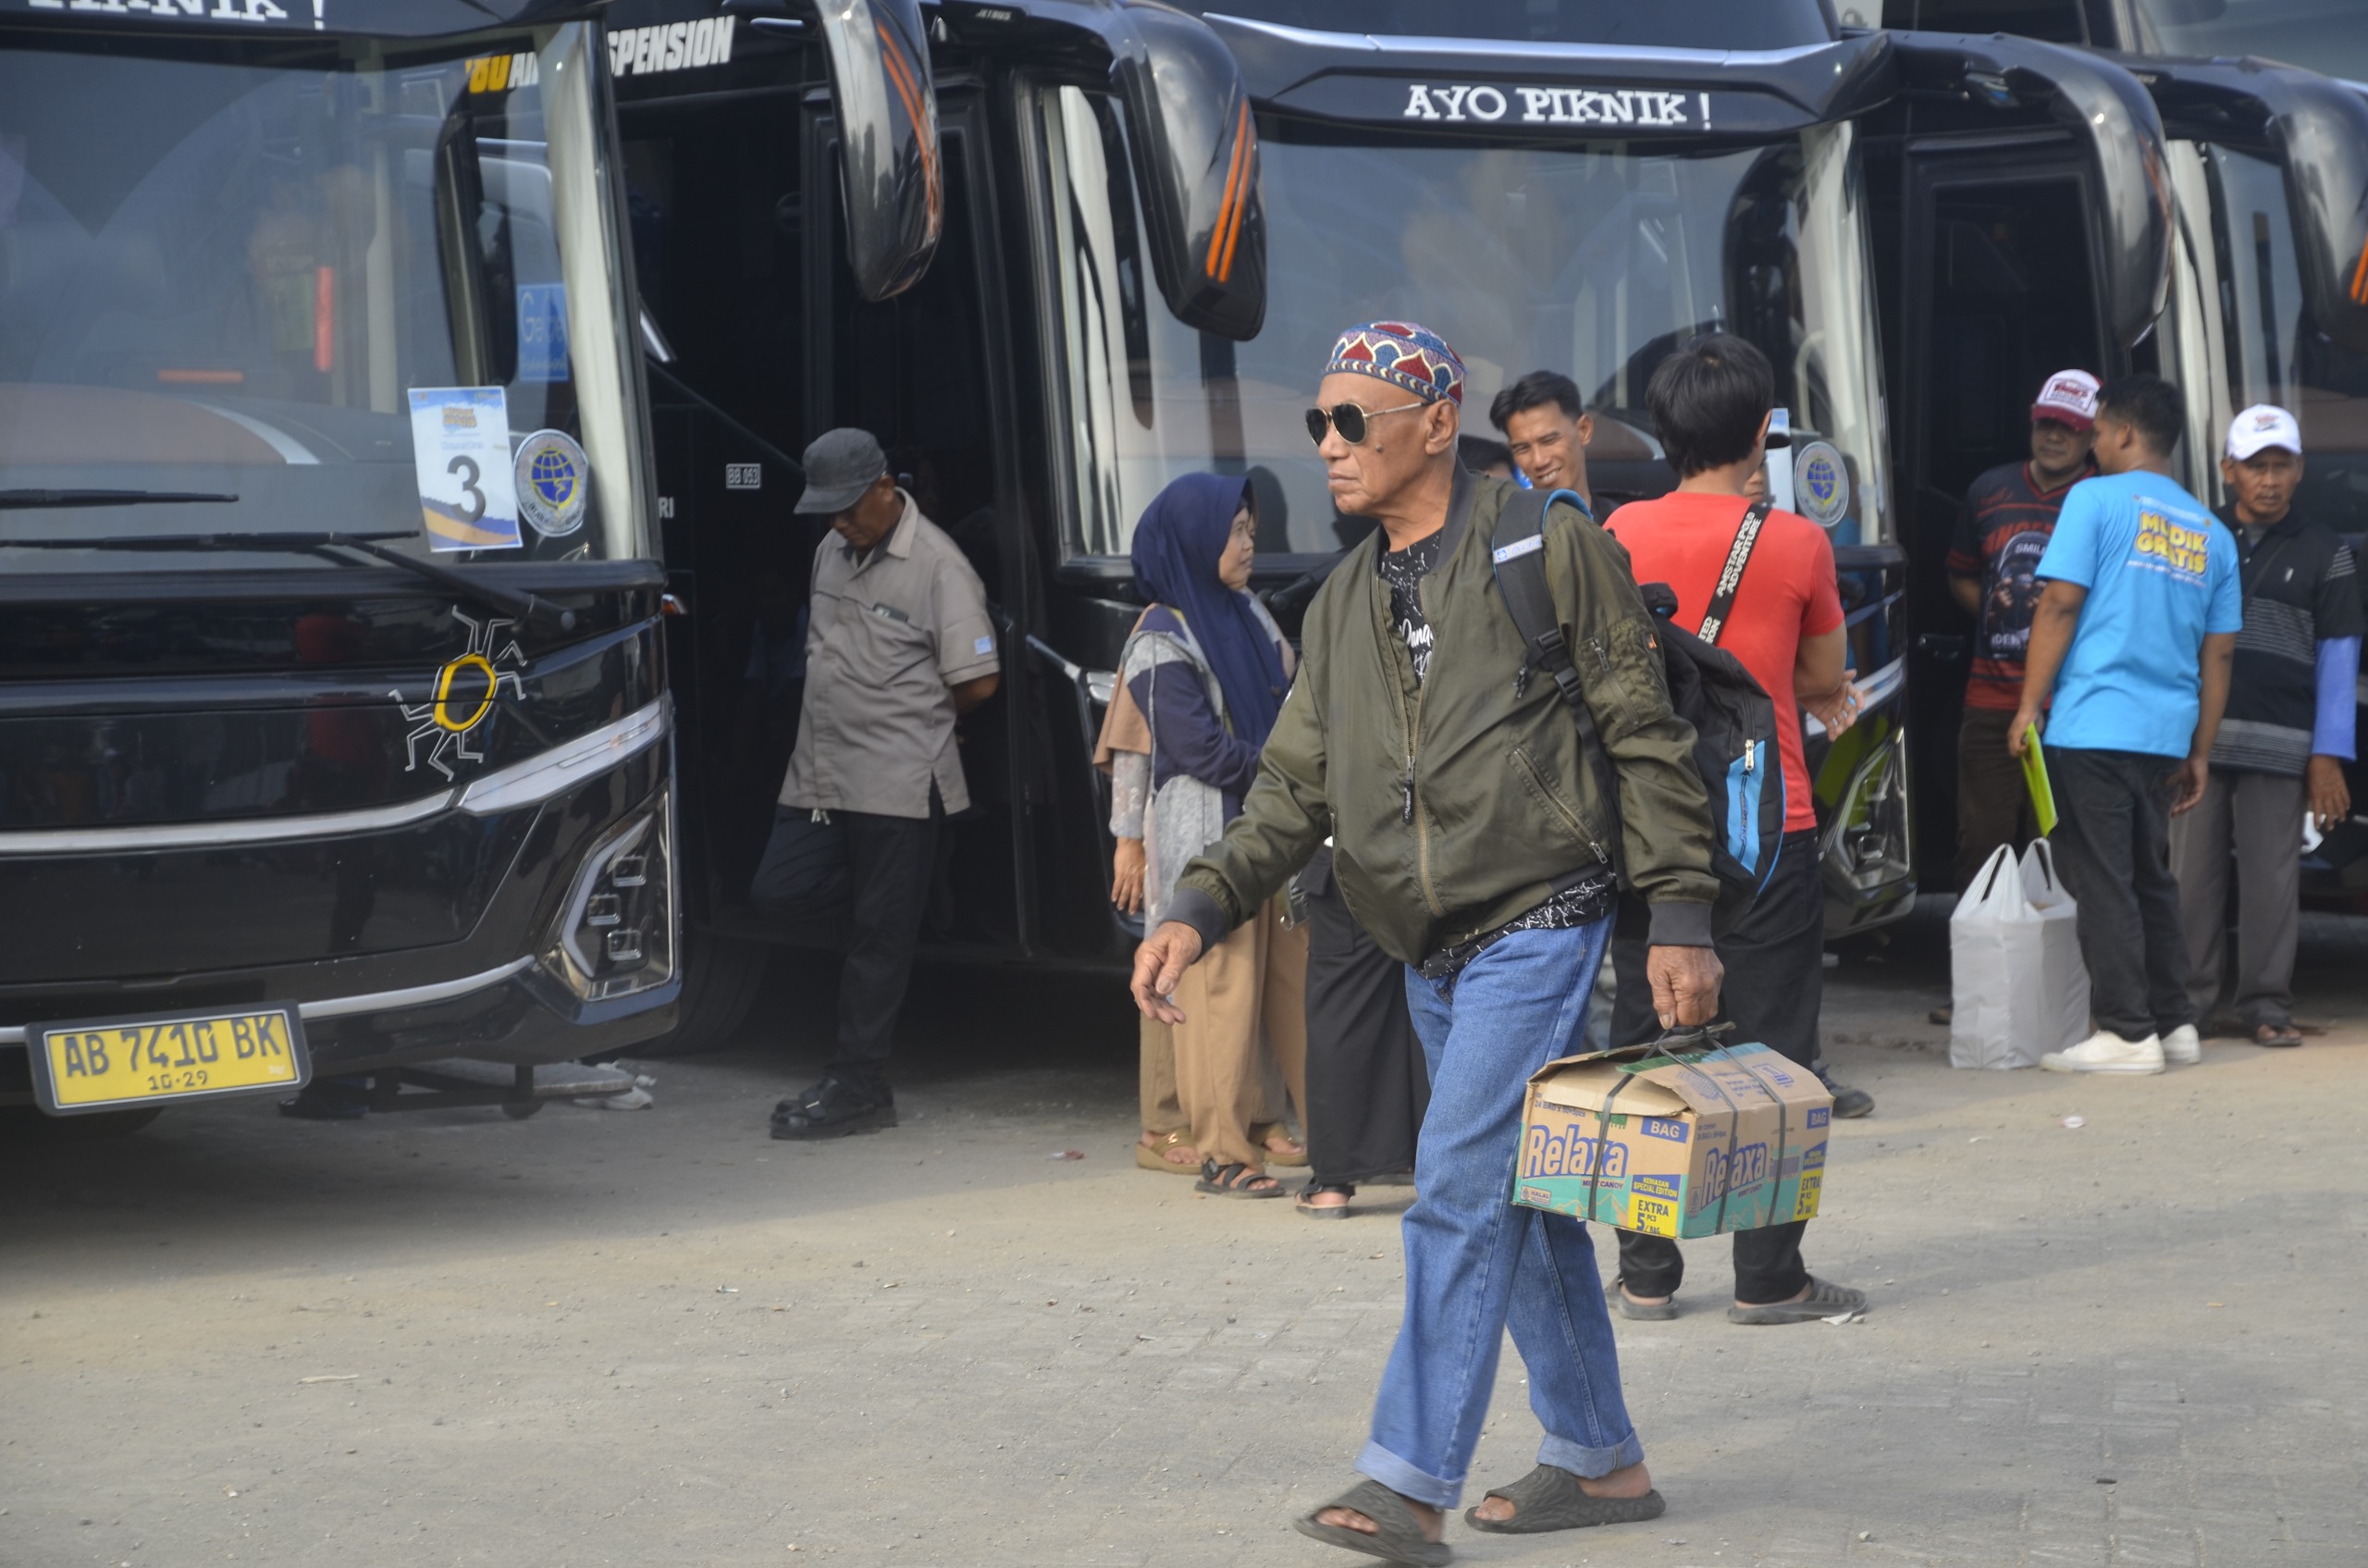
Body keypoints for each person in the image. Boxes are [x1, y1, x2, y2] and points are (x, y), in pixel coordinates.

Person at [1133, 321, 1725, 1558]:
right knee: (1526, 1202)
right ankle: (1602, 1460)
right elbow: (1291, 789)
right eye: (1319, 423)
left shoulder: (1546, 542)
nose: (1327, 444)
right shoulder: (1345, 598)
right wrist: (1198, 905)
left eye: (1352, 420)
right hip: (1427, 946)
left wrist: (1679, 914)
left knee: (1455, 1184)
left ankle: (1407, 1480)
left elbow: (1642, 729)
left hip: (1539, 916)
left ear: (1437, 420)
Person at [1598, 334, 1872, 1326]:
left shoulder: (1617, 529)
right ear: (1761, 433)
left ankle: (1645, 1274)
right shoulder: (1795, 542)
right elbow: (1821, 676)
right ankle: (1768, 1278)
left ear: (1661, 431)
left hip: (1649, 822)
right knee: (1775, 1050)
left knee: (1646, 1040)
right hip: (1769, 823)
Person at [755, 428, 1001, 1137]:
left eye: (848, 507)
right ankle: (901, 898)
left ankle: (859, 1085)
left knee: (878, 938)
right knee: (778, 889)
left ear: (886, 488)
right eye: (827, 509)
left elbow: (979, 680)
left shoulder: (939, 565)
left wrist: (921, 715)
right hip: (823, 772)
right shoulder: (830, 552)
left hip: (899, 779)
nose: (837, 521)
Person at [2011, 374, 2241, 1075]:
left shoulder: (2094, 500)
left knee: (2103, 879)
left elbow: (2058, 604)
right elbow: (2219, 654)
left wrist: (2027, 705)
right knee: (2151, 877)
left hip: (2093, 724)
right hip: (2166, 732)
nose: (2091, 446)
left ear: (2124, 434)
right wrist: (2200, 750)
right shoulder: (2213, 533)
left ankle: (2127, 1031)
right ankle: (2175, 1023)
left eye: (2098, 432)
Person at [1119, 474, 1309, 1195]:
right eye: (1235, 530)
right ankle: (1224, 1152)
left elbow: (1296, 700)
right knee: (1220, 998)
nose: (1249, 542)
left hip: (1275, 833)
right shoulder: (1158, 637)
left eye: (1250, 528)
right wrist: (1291, 769)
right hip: (1212, 845)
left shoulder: (1250, 612)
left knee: (1291, 988)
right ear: (1196, 541)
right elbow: (1198, 749)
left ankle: (1317, 1133)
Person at [2170, 405, 2362, 1048]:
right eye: (2257, 466)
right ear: (2229, 470)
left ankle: (2266, 1005)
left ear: (2300, 470)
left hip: (2281, 742)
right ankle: (2188, 1007)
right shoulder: (2196, 536)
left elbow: (2339, 658)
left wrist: (2327, 754)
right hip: (2197, 741)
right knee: (2189, 880)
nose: (2270, 479)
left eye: (2282, 465)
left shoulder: (2328, 551)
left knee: (2272, 882)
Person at [1947, 369, 2102, 886]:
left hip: (2072, 707)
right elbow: (1961, 574)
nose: (2054, 436)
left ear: (2094, 435)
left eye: (2070, 428)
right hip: (1990, 701)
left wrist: (2053, 637)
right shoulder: (1989, 490)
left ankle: (2057, 944)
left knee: (2060, 850)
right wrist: (2004, 615)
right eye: (2046, 423)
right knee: (1982, 845)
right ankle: (1985, 939)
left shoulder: (2104, 499)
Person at [1292, 845, 1428, 1219]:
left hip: (1351, 856)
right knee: (1427, 1007)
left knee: (1342, 1010)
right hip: (1430, 857)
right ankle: (1433, 1167)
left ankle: (1332, 1184)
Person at [1489, 369, 1595, 511]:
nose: (1539, 461)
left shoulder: (1620, 520)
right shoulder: (1504, 523)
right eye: (1523, 448)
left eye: (1549, 441)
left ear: (1584, 430)